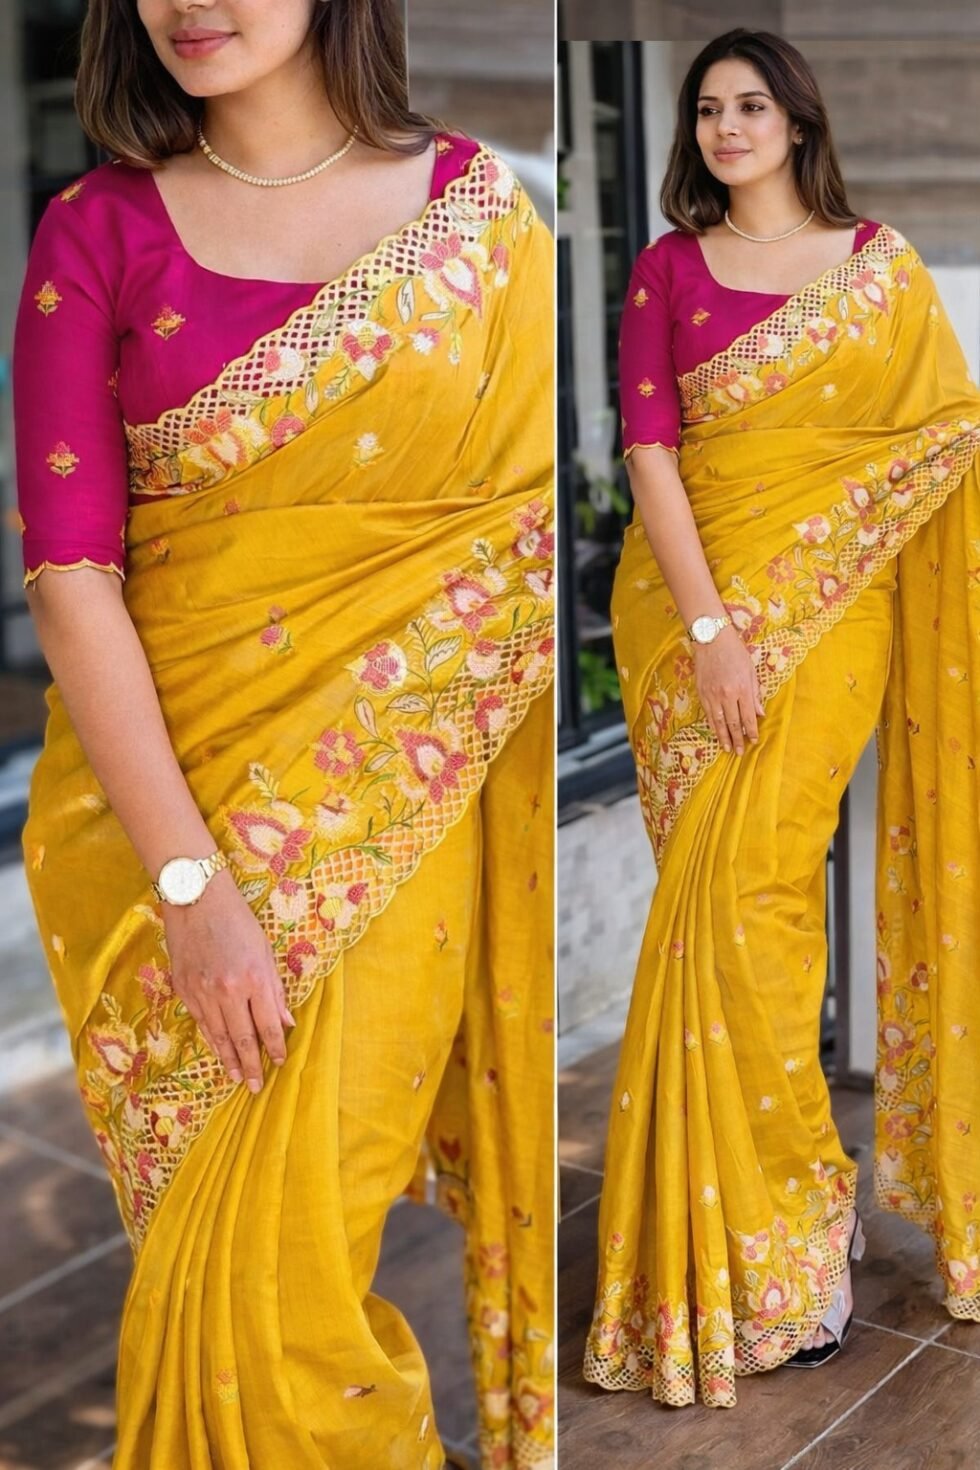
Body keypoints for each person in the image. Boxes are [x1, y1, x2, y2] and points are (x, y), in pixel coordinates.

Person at [13, 1, 555, 1465]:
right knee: (224, 1260)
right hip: (155, 829)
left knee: (300, 1260)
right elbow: (68, 575)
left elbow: (518, 538)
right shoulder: (96, 231)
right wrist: (192, 888)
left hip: (400, 807)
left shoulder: (478, 219)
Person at [580, 26, 980, 1410]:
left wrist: (804, 576)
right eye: (708, 108)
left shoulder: (878, 271)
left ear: (799, 121)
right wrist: (711, 634)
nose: (727, 126)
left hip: (831, 621)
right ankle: (784, 1216)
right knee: (721, 912)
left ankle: (794, 1221)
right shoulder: (667, 269)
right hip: (684, 623)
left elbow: (941, 440)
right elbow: (650, 450)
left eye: (752, 105)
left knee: (755, 904)